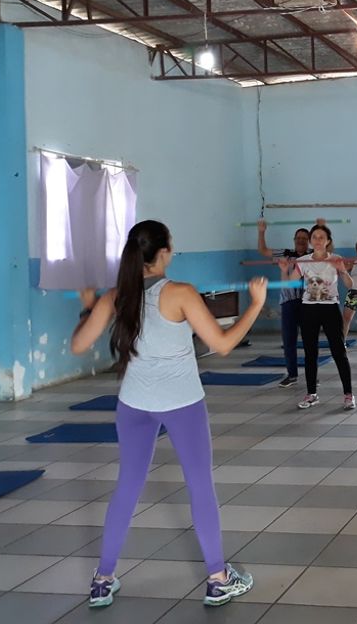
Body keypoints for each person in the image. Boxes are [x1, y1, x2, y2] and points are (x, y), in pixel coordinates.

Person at [71, 220, 267, 609]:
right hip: (182, 404)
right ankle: (218, 578)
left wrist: (88, 306)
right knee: (199, 486)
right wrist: (257, 305)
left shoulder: (116, 296)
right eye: (171, 247)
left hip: (134, 405)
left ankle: (101, 581)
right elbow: (224, 344)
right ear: (162, 254)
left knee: (127, 488)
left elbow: (79, 344)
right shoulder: (180, 294)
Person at [295, 224, 357, 410]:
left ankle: (348, 394)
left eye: (322, 237)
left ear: (328, 241)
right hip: (308, 309)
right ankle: (312, 393)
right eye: (315, 237)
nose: (318, 240)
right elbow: (289, 281)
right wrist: (284, 268)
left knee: (338, 352)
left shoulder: (336, 259)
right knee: (310, 353)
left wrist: (343, 270)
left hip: (330, 308)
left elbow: (350, 284)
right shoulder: (303, 261)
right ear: (311, 240)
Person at [257, 219, 321, 387]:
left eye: (304, 238)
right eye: (298, 238)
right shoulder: (285, 253)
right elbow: (263, 251)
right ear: (294, 240)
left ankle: (312, 375)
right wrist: (261, 231)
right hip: (288, 302)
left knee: (309, 341)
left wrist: (321, 227)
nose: (301, 241)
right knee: (289, 340)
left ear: (308, 241)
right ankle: (292, 375)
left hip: (307, 303)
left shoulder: (312, 256)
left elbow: (328, 250)